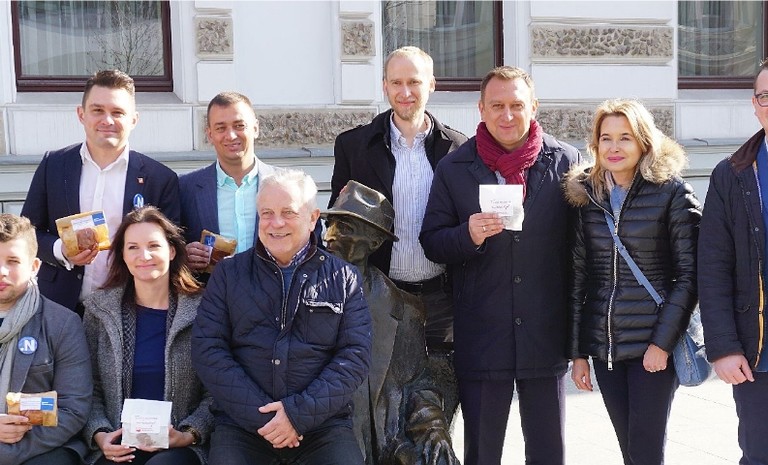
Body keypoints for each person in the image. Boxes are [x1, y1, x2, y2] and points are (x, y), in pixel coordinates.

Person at [419, 66, 581, 465]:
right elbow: (432, 241)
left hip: (545, 332)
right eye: (497, 106)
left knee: (548, 452)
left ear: (533, 107)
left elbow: (581, 251)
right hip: (482, 334)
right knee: (482, 452)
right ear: (481, 109)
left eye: (516, 105)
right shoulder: (455, 167)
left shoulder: (566, 161)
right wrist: (468, 235)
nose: (507, 115)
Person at [192, 169, 372, 465]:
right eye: (267, 213)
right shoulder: (228, 274)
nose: (276, 223)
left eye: (288, 213)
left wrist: (297, 415)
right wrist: (265, 418)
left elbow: (354, 357)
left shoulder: (344, 278)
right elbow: (208, 350)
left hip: (321, 428)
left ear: (313, 218)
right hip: (243, 427)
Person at [330, 46, 467, 420]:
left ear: (431, 85)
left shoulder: (458, 148)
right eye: (396, 83)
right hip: (380, 294)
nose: (405, 92)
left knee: (437, 405)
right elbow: (339, 226)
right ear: (385, 86)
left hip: (441, 298)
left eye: (414, 82)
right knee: (380, 401)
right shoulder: (354, 146)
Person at [565, 99, 701, 465]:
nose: (614, 147)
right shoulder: (588, 197)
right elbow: (578, 279)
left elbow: (689, 276)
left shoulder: (672, 193)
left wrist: (661, 343)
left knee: (645, 451)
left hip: (653, 346)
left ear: (643, 141)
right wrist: (578, 353)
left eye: (625, 137)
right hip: (606, 349)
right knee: (630, 449)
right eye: (605, 138)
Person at [21, 69, 180, 314]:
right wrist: (61, 250)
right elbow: (27, 233)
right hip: (59, 307)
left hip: (128, 310)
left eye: (117, 112)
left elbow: (171, 248)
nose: (107, 120)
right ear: (81, 114)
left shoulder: (160, 178)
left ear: (134, 120)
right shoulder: (53, 165)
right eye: (98, 110)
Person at [323, 180, 457, 465]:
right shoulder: (303, 293)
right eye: (329, 224)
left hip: (382, 443)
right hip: (317, 436)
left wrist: (433, 426)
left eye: (344, 228)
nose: (329, 236)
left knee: (435, 457)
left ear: (374, 242)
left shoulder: (404, 310)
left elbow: (418, 383)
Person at [82, 206, 213, 465]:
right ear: (122, 254)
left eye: (154, 245)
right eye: (133, 247)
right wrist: (100, 434)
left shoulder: (203, 311)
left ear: (172, 251)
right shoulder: (99, 310)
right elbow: (88, 386)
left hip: (180, 446)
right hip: (117, 444)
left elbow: (215, 391)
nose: (144, 255)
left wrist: (189, 434)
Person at [698, 58, 768, 465]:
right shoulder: (733, 174)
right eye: (766, 96)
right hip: (759, 353)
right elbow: (713, 266)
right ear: (755, 104)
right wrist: (723, 347)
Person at [0, 213, 92, 465]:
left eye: (13, 261)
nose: (2, 271)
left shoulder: (62, 324)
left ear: (34, 267)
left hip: (40, 449)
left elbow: (73, 409)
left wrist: (6, 453)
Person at [180, 91, 280, 275]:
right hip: (210, 291)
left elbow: (310, 247)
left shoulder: (286, 185)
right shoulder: (185, 188)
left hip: (276, 291)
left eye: (239, 125)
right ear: (210, 134)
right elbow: (169, 247)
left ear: (255, 128)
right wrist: (184, 256)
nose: (231, 135)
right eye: (220, 128)